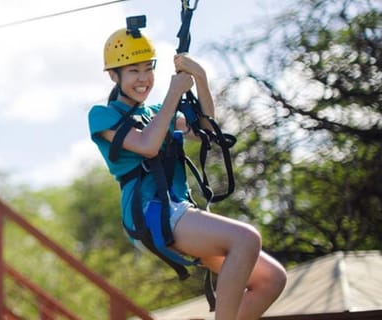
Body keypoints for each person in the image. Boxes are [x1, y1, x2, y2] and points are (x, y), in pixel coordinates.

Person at [87, 19, 287, 320]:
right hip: (149, 212)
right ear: (114, 75)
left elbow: (207, 128)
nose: (143, 79)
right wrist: (173, 93)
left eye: (148, 69)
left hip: (177, 208)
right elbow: (147, 144)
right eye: (133, 71)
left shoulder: (156, 113)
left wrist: (200, 77)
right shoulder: (102, 115)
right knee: (246, 239)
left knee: (272, 279)